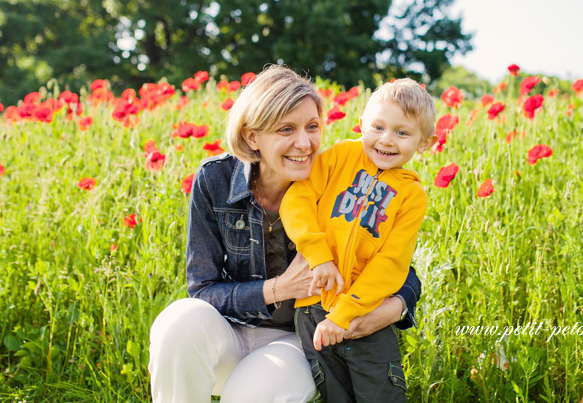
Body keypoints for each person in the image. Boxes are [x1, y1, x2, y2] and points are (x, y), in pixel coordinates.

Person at [147, 65, 422, 403]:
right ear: (252, 137)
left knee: (249, 395)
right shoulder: (215, 180)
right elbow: (202, 290)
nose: (304, 143)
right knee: (179, 321)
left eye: (312, 127)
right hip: (227, 331)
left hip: (293, 339)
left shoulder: (336, 179)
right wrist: (277, 289)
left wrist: (397, 307)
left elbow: (396, 265)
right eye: (286, 129)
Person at [281, 78, 438, 402]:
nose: (386, 140)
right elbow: (298, 199)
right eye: (378, 127)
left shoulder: (411, 196)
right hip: (314, 310)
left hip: (367, 317)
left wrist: (346, 314)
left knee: (381, 394)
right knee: (335, 395)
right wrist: (319, 256)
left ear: (424, 143)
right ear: (361, 124)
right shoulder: (339, 157)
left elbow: (391, 264)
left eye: (402, 132)